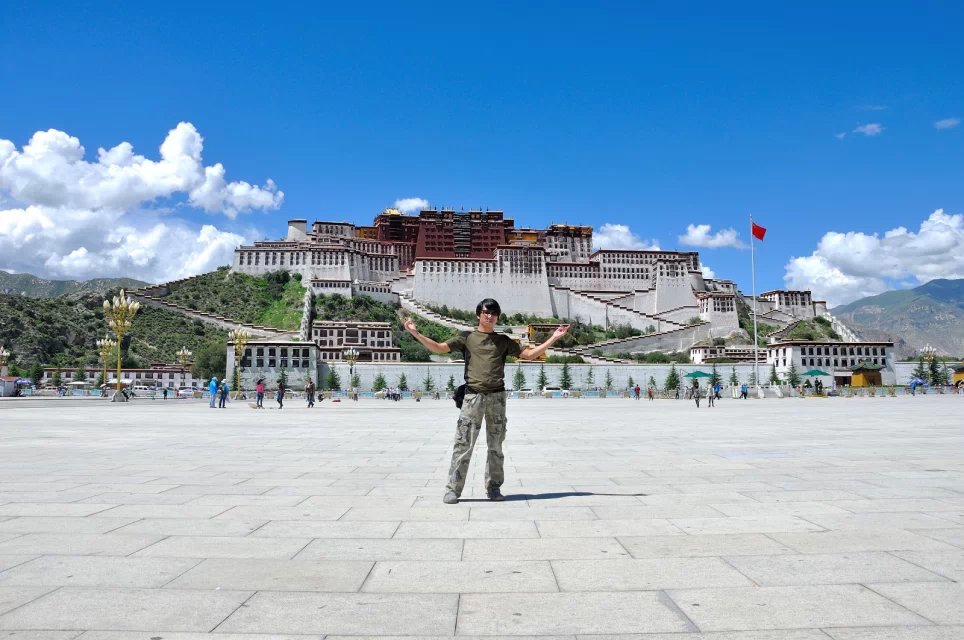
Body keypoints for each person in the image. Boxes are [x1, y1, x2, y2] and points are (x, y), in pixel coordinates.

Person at [403, 298, 569, 505]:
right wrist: (415, 333)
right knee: (463, 444)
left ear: (497, 317)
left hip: (497, 398)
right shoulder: (467, 338)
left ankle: (494, 487)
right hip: (473, 397)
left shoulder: (503, 341)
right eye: (485, 312)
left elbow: (528, 355)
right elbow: (438, 348)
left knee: (496, 447)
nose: (489, 316)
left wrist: (554, 337)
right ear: (478, 315)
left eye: (493, 313)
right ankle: (453, 489)